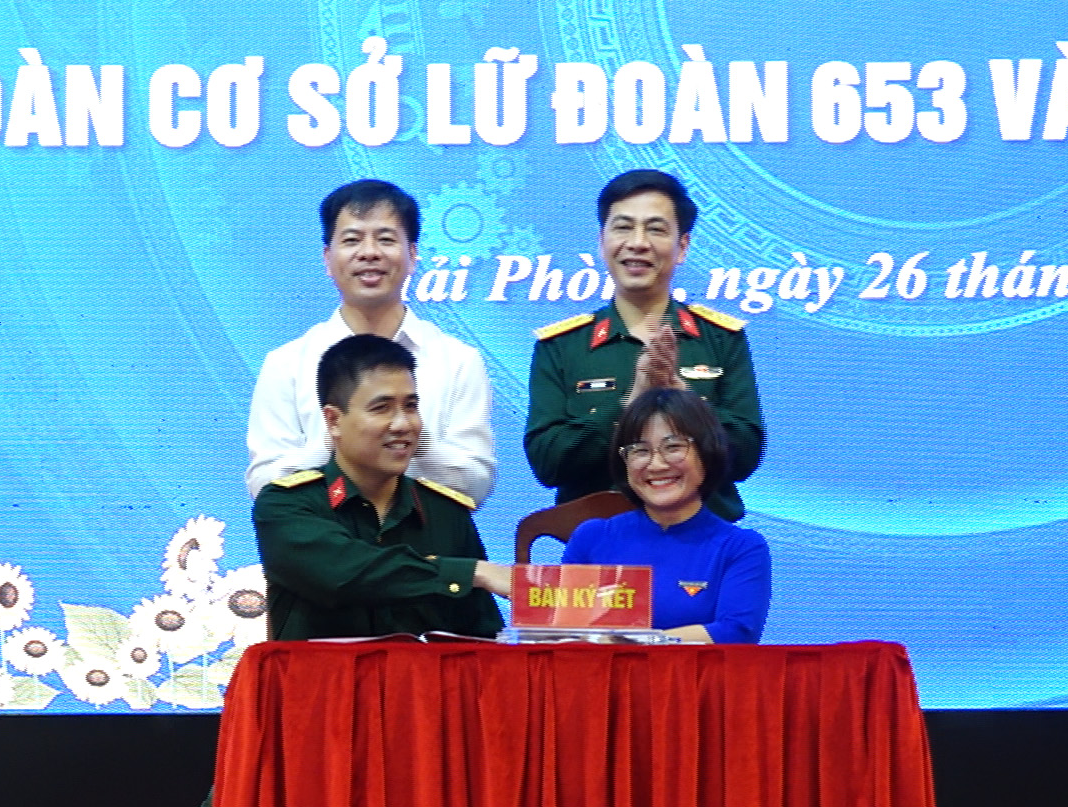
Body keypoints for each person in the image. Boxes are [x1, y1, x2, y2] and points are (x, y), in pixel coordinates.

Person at [525, 169, 763, 520]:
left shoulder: (721, 338)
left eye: (655, 229)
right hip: (597, 543)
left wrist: (685, 406)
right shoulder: (562, 345)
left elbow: (746, 455)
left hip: (701, 540)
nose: (637, 243)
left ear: (682, 247)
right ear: (602, 241)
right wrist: (627, 406)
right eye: (623, 227)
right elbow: (548, 463)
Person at [246, 179, 496, 505]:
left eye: (386, 239)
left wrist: (414, 439)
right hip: (320, 532)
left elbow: (477, 483)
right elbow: (263, 486)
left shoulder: (458, 361)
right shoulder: (287, 364)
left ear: (413, 255)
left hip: (426, 535)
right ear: (327, 258)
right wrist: (337, 439)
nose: (369, 253)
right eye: (352, 240)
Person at [253, 334, 509, 641]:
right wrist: (469, 573)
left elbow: (481, 639)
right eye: (382, 408)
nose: (403, 424)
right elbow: (342, 574)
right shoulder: (287, 505)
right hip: (321, 674)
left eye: (411, 406)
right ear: (333, 421)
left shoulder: (445, 512)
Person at [562, 388, 769, 644]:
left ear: (706, 453)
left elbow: (735, 633)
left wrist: (630, 642)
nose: (656, 464)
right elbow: (562, 631)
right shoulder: (591, 537)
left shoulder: (740, 547)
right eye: (640, 450)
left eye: (673, 447)